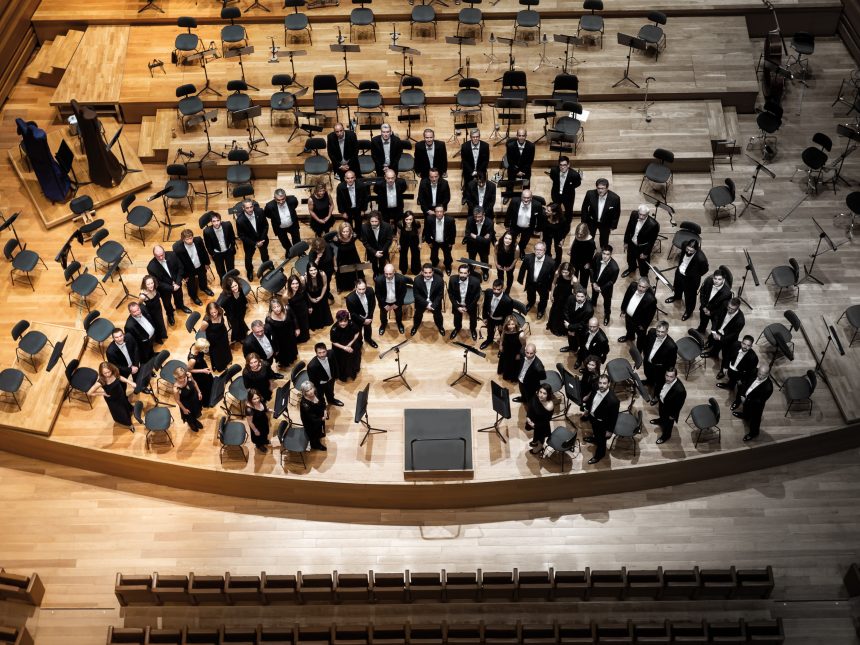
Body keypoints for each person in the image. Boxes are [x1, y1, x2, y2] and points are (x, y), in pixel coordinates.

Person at [147, 245, 191, 326]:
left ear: (164, 252)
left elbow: (180, 268)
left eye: (162, 255)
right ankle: (170, 314)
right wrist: (171, 288)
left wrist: (177, 283)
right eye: (158, 256)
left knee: (179, 296)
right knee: (167, 303)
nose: (161, 258)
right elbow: (157, 282)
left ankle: (180, 306)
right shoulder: (151, 267)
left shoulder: (172, 255)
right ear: (154, 255)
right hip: (164, 289)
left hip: (177, 283)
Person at [667, 239, 709, 320]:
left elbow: (704, 270)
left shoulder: (701, 258)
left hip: (691, 280)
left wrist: (694, 274)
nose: (688, 252)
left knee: (690, 297)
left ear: (696, 249)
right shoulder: (684, 244)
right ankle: (677, 297)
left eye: (691, 251)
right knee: (677, 287)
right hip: (680, 272)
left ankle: (689, 311)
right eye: (687, 249)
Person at [582, 374, 620, 464]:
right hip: (593, 417)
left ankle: (600, 455)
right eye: (600, 383)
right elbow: (591, 399)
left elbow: (614, 417)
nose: (602, 385)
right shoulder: (596, 387)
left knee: (602, 441)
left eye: (604, 383)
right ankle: (595, 439)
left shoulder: (613, 401)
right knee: (595, 432)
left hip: (603, 424)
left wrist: (610, 431)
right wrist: (587, 409)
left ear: (609, 384)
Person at [87, 361, 134, 429]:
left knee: (125, 405)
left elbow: (120, 377)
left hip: (120, 394)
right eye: (105, 373)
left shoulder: (114, 373)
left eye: (109, 372)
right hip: (112, 399)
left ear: (111, 369)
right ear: (101, 373)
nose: (108, 374)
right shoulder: (101, 381)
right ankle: (129, 425)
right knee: (121, 412)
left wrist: (130, 382)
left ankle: (129, 412)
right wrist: (102, 393)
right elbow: (89, 392)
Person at [732, 366, 773, 441]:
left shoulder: (768, 388)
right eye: (759, 373)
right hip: (747, 397)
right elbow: (747, 380)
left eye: (763, 375)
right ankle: (745, 416)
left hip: (756, 405)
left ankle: (754, 433)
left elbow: (759, 401)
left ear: (768, 374)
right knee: (746, 409)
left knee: (755, 420)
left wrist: (746, 401)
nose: (760, 376)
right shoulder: (754, 371)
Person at [172, 229, 213, 306]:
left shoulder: (198, 240)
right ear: (183, 239)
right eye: (187, 239)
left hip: (200, 264)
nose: (190, 240)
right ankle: (194, 297)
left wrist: (207, 263)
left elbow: (204, 252)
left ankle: (204, 288)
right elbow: (179, 263)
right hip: (188, 269)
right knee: (191, 285)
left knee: (203, 277)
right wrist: (184, 275)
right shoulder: (177, 248)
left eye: (191, 238)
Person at [517, 241, 556, 319]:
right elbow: (522, 269)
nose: (538, 251)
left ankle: (541, 310)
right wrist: (520, 279)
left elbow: (552, 276)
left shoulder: (551, 262)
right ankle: (531, 303)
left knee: (543, 299)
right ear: (534, 250)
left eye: (541, 250)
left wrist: (550, 287)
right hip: (531, 282)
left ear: (544, 251)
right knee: (530, 294)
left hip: (543, 284)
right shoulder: (528, 258)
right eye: (537, 249)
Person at [580, 177, 621, 249]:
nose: (600, 190)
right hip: (592, 221)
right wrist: (584, 222)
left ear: (607, 188)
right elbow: (584, 208)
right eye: (598, 188)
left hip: (606, 223)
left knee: (604, 240)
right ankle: (591, 250)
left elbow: (616, 213)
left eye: (603, 188)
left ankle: (603, 250)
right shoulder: (590, 194)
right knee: (589, 238)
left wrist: (613, 225)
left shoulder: (615, 198)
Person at [650, 367, 687, 444]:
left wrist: (673, 416)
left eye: (671, 377)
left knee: (668, 425)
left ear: (675, 376)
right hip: (663, 403)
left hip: (670, 411)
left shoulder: (680, 390)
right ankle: (661, 420)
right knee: (662, 415)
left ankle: (666, 436)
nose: (668, 378)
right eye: (667, 375)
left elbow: (678, 405)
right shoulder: (665, 379)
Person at [236, 199, 270, 282]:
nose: (250, 209)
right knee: (248, 258)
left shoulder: (260, 211)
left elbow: (266, 225)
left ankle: (267, 264)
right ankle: (250, 271)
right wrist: (255, 243)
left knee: (264, 253)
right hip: (250, 243)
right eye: (247, 208)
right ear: (243, 208)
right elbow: (242, 236)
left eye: (251, 207)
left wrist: (262, 239)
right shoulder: (240, 220)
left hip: (262, 239)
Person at [622, 204, 660, 278]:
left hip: (642, 247)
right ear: (638, 212)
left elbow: (651, 241)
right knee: (630, 259)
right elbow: (628, 228)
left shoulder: (653, 224)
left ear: (648, 214)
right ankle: (631, 269)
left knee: (643, 264)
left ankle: (644, 276)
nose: (641, 217)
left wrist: (645, 253)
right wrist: (626, 242)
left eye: (644, 215)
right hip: (632, 243)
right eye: (640, 214)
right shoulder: (634, 214)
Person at [619, 277, 657, 349]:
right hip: (628, 317)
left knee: (641, 337)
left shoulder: (651, 299)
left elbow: (650, 315)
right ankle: (629, 337)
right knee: (629, 329)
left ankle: (639, 349)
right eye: (639, 286)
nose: (640, 289)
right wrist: (623, 309)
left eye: (643, 287)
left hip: (639, 323)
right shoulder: (632, 286)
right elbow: (626, 298)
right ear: (637, 284)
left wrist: (643, 326)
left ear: (647, 287)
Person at [704, 297, 745, 362]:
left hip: (726, 336)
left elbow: (733, 334)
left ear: (738, 308)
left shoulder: (740, 321)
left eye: (732, 309)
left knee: (718, 346)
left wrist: (720, 338)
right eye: (729, 307)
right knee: (711, 338)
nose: (729, 310)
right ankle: (709, 345)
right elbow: (716, 316)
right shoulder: (725, 304)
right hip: (718, 329)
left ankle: (713, 354)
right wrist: (714, 330)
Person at [642, 320, 678, 393]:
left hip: (659, 369)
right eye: (658, 331)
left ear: (667, 331)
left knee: (659, 383)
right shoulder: (651, 332)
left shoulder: (672, 346)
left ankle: (656, 396)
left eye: (662, 332)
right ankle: (649, 381)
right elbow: (646, 344)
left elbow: (671, 363)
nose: (660, 334)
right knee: (648, 374)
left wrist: (666, 373)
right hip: (647, 362)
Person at [505, 189, 542, 259]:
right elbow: (509, 213)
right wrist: (506, 224)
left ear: (531, 197)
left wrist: (538, 229)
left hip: (528, 228)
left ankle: (521, 250)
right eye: (524, 197)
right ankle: (512, 251)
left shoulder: (537, 205)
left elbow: (540, 218)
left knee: (524, 241)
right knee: (512, 239)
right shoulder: (514, 201)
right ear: (521, 197)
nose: (526, 200)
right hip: (515, 226)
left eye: (528, 198)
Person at [447, 264, 481, 341]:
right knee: (457, 318)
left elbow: (477, 296)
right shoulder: (452, 279)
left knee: (473, 319)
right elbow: (451, 294)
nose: (462, 275)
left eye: (465, 273)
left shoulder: (476, 281)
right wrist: (457, 306)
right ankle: (457, 328)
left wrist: (468, 308)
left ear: (468, 273)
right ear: (458, 272)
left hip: (470, 304)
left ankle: (473, 330)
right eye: (461, 272)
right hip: (458, 304)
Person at [411, 263, 445, 336]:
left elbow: (440, 295)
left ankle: (440, 327)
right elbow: (416, 295)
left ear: (432, 272)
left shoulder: (439, 280)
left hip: (435, 302)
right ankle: (415, 326)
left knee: (438, 315)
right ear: (422, 272)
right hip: (422, 302)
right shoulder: (417, 280)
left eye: (430, 272)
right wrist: (426, 304)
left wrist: (433, 305)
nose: (428, 275)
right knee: (417, 315)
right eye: (425, 273)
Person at [265, 188, 302, 252]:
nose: (281, 202)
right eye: (278, 200)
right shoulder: (269, 206)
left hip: (293, 225)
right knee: (284, 242)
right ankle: (289, 251)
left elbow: (295, 206)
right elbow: (268, 215)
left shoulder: (293, 200)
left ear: (286, 197)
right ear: (274, 198)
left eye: (283, 199)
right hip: (279, 228)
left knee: (297, 239)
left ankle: (299, 252)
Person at [307, 342, 344, 407]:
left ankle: (331, 400)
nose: (322, 355)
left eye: (324, 352)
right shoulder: (311, 366)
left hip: (331, 379)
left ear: (326, 350)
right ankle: (323, 408)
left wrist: (336, 376)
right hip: (320, 385)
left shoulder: (331, 353)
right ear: (316, 353)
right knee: (320, 397)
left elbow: (335, 365)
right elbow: (312, 380)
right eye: (319, 353)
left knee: (330, 392)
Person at [480, 279, 514, 350]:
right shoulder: (488, 292)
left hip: (501, 320)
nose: (495, 291)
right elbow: (485, 306)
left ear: (502, 289)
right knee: (490, 330)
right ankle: (489, 340)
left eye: (498, 289)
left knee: (502, 334)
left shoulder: (508, 300)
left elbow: (508, 315)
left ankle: (502, 347)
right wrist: (485, 317)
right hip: (490, 317)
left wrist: (503, 325)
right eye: (494, 289)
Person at [202, 211, 236, 280]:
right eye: (214, 221)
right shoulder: (207, 231)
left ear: (220, 220)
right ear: (211, 222)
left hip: (228, 251)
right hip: (217, 253)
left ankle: (231, 280)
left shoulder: (228, 225)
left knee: (231, 267)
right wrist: (213, 254)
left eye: (218, 220)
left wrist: (232, 247)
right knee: (220, 270)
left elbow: (232, 237)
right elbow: (208, 245)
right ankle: (223, 280)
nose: (216, 223)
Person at [590, 245, 619, 326]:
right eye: (604, 253)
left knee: (607, 302)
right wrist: (593, 282)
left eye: (607, 254)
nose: (605, 256)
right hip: (595, 282)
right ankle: (593, 303)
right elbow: (592, 268)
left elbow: (611, 282)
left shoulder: (615, 268)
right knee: (594, 295)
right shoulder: (597, 256)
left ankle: (607, 315)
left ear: (611, 254)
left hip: (606, 287)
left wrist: (600, 288)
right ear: (601, 252)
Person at [374, 263, 407, 335]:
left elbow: (403, 292)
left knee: (398, 314)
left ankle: (399, 323)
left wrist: (397, 304)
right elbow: (378, 294)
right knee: (383, 315)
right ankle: (383, 325)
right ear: (384, 272)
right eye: (386, 274)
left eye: (390, 274)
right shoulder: (378, 280)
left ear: (394, 272)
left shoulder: (401, 279)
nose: (388, 276)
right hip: (384, 302)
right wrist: (384, 305)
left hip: (396, 301)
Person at [696, 270, 732, 335]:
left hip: (715, 313)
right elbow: (702, 293)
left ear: (723, 279)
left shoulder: (727, 293)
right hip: (704, 307)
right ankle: (701, 329)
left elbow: (723, 308)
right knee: (703, 321)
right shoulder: (708, 281)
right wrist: (703, 306)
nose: (716, 281)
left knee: (715, 328)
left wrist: (711, 313)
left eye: (719, 279)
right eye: (715, 278)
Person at [266, 299, 299, 367]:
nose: (277, 309)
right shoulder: (269, 319)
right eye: (274, 307)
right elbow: (270, 332)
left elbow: (294, 318)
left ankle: (292, 358)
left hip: (290, 334)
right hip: (280, 339)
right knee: (283, 351)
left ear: (281, 305)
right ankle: (285, 362)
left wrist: (297, 328)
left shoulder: (287, 309)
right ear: (271, 308)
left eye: (278, 306)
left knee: (292, 347)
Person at [330, 310, 363, 381]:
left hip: (351, 343)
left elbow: (357, 333)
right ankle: (343, 375)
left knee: (354, 357)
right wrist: (345, 348)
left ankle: (354, 371)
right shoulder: (334, 329)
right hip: (339, 347)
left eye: (345, 321)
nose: (343, 323)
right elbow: (334, 342)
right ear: (337, 320)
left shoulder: (352, 323)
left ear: (348, 320)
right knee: (342, 362)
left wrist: (350, 344)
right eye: (340, 321)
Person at [345, 278, 378, 349]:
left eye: (363, 289)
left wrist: (369, 317)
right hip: (357, 319)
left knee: (368, 329)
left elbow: (373, 304)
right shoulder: (350, 298)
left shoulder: (370, 290)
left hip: (368, 316)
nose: (362, 291)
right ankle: (359, 343)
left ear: (366, 286)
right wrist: (363, 320)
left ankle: (368, 339)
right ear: (355, 287)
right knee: (358, 332)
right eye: (359, 289)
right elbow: (353, 313)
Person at [423, 205, 456, 276]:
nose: (439, 213)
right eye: (437, 212)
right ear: (434, 212)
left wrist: (451, 242)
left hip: (446, 242)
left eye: (441, 211)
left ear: (444, 212)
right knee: (433, 256)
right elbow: (427, 232)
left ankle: (448, 267)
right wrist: (429, 242)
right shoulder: (429, 219)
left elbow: (453, 232)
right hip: (434, 242)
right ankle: (434, 265)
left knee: (448, 256)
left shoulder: (450, 220)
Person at [200, 301, 232, 372]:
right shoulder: (206, 321)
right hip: (213, 338)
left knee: (225, 347)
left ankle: (227, 360)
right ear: (208, 312)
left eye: (215, 312)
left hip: (223, 333)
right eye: (212, 313)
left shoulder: (221, 311)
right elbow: (202, 330)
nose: (214, 314)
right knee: (217, 353)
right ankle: (221, 366)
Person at [360, 211, 394, 277]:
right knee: (373, 264)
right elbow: (365, 242)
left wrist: (382, 251)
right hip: (371, 250)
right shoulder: (364, 227)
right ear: (369, 220)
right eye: (372, 221)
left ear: (379, 220)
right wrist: (374, 252)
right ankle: (375, 273)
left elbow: (389, 240)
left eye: (376, 221)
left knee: (382, 263)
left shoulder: (387, 226)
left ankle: (381, 273)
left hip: (383, 249)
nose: (374, 223)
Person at [464, 206, 495, 277]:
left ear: (484, 214)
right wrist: (482, 239)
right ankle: (471, 271)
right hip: (472, 245)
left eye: (479, 217)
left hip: (483, 247)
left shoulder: (490, 222)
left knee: (484, 260)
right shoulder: (469, 220)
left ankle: (485, 272)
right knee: (471, 259)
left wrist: (475, 236)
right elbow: (467, 236)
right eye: (475, 217)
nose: (477, 219)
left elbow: (487, 241)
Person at [332, 222, 363, 293]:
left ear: (350, 231)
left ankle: (355, 285)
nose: (345, 233)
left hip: (353, 257)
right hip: (342, 258)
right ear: (340, 231)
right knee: (341, 272)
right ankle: (342, 287)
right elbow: (334, 253)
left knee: (355, 271)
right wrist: (335, 264)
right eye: (343, 231)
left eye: (347, 231)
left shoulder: (354, 236)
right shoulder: (336, 239)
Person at [549, 155, 582, 224]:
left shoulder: (574, 175)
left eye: (564, 165)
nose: (562, 167)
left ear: (568, 165)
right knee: (556, 209)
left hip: (568, 196)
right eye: (560, 165)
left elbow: (578, 183)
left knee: (569, 211)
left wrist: (570, 187)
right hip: (556, 194)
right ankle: (557, 221)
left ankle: (567, 224)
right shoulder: (554, 170)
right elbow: (552, 177)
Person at [561, 287, 593, 354]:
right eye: (578, 296)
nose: (579, 298)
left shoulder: (589, 310)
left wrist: (570, 327)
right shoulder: (571, 298)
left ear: (585, 297)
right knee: (570, 338)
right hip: (570, 323)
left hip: (580, 329)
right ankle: (571, 348)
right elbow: (565, 310)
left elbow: (583, 324)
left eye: (582, 296)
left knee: (579, 342)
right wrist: (569, 326)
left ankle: (578, 353)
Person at [138, 275, 168, 344]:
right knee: (156, 325)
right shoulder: (142, 296)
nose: (151, 285)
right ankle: (158, 338)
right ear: (144, 285)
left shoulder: (155, 287)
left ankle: (163, 334)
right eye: (148, 284)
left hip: (158, 308)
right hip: (152, 312)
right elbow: (139, 304)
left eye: (152, 283)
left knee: (161, 322)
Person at [299, 381, 328, 451]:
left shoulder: (316, 392)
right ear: (304, 392)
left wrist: (325, 410)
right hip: (311, 422)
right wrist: (322, 419)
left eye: (311, 388)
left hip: (319, 416)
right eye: (307, 391)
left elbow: (323, 400)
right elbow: (312, 419)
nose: (311, 392)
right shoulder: (305, 405)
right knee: (314, 434)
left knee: (319, 430)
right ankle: (315, 445)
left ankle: (319, 434)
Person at [526, 383, 554, 455]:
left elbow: (545, 421)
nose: (541, 395)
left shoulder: (549, 406)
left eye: (544, 393)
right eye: (540, 392)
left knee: (540, 436)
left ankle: (539, 447)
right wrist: (528, 416)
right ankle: (535, 443)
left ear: (548, 395)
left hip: (541, 425)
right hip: (533, 419)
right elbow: (531, 405)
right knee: (536, 435)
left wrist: (535, 425)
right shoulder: (536, 395)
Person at [173, 365, 203, 432]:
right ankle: (192, 424)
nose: (183, 379)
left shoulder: (188, 375)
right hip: (186, 404)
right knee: (190, 416)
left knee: (195, 412)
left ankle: (195, 421)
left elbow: (194, 383)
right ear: (176, 377)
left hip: (194, 398)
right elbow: (177, 400)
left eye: (184, 376)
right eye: (180, 378)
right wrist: (184, 409)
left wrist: (199, 392)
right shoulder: (176, 389)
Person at [547, 262, 574, 337]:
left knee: (564, 313)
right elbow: (553, 283)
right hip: (558, 295)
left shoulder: (573, 278)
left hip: (567, 297)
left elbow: (575, 292)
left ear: (570, 271)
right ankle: (554, 327)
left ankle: (562, 329)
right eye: (563, 271)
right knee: (556, 311)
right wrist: (551, 294)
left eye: (566, 272)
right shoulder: (557, 273)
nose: (564, 274)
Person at [219, 275, 249, 343]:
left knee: (241, 322)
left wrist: (246, 304)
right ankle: (240, 338)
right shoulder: (226, 297)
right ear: (229, 288)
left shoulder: (239, 289)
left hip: (241, 310)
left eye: (236, 285)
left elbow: (243, 297)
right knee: (236, 327)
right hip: (233, 315)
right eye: (232, 287)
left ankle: (244, 332)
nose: (235, 288)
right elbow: (220, 305)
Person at [497, 315, 526, 381]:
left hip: (515, 352)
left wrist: (519, 354)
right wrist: (501, 345)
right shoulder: (505, 329)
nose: (510, 326)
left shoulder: (521, 334)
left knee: (513, 366)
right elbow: (502, 337)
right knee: (506, 363)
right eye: (508, 324)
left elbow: (523, 345)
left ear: (515, 323)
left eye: (512, 324)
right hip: (506, 349)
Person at [187, 338, 214, 408]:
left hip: (201, 365)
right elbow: (189, 370)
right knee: (205, 387)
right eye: (205, 348)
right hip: (198, 373)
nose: (206, 350)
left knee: (209, 381)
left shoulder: (195, 345)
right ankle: (206, 402)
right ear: (200, 348)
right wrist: (202, 370)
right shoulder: (192, 360)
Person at [306, 262, 333, 330]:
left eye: (315, 269)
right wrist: (311, 299)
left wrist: (321, 296)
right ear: (308, 271)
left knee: (323, 307)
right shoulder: (305, 278)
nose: (313, 272)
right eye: (311, 270)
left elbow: (325, 285)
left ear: (317, 269)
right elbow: (305, 291)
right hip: (311, 295)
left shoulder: (322, 274)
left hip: (321, 293)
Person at [245, 388, 272, 453]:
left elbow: (264, 408)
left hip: (263, 421)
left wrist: (268, 410)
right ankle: (259, 445)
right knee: (258, 437)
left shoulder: (261, 401)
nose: (257, 400)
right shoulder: (249, 410)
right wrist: (255, 430)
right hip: (256, 425)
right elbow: (250, 422)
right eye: (254, 399)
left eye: (258, 398)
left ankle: (264, 440)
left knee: (265, 433)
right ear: (250, 399)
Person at [285, 275, 310, 343]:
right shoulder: (286, 295)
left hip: (303, 311)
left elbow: (306, 298)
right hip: (294, 314)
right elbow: (287, 309)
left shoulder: (302, 288)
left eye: (297, 283)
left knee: (305, 325)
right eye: (293, 284)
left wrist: (309, 307)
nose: (295, 286)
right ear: (289, 284)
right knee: (297, 326)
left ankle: (305, 337)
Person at [396, 211, 422, 276]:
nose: (408, 221)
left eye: (410, 219)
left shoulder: (417, 223)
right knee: (403, 255)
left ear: (413, 219)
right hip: (404, 240)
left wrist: (420, 243)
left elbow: (419, 234)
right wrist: (398, 244)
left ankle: (416, 270)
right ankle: (403, 269)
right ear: (404, 219)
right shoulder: (400, 224)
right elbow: (398, 234)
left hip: (414, 240)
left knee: (416, 255)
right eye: (406, 219)